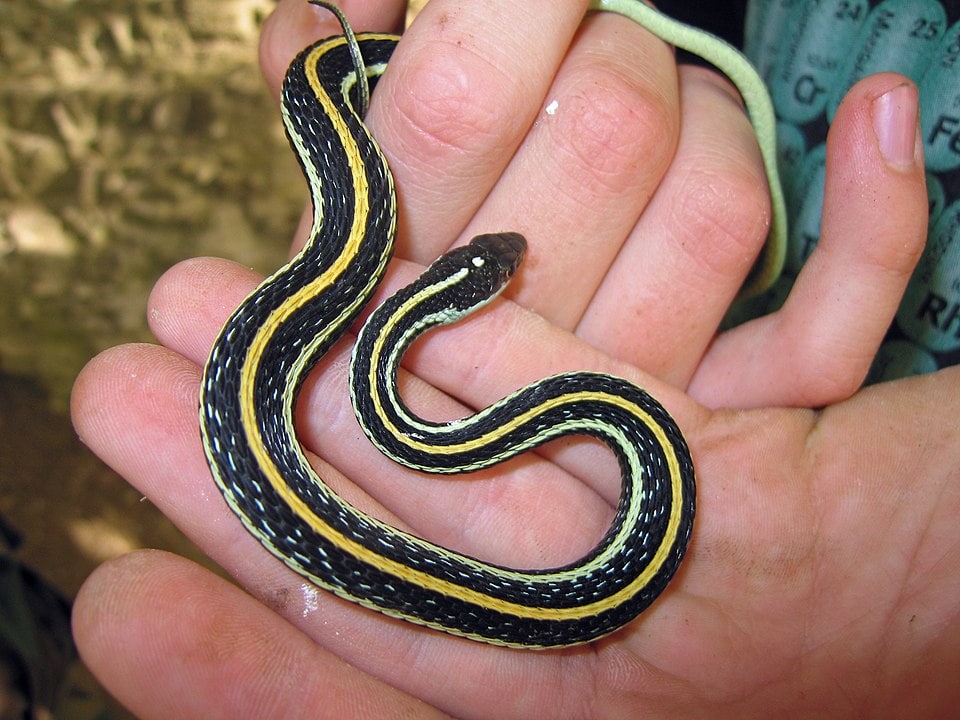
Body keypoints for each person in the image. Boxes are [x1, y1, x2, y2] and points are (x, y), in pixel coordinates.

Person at [69, 1, 958, 717]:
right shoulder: (372, 329)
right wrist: (682, 48)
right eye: (493, 274)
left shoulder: (405, 367)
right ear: (463, 294)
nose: (505, 264)